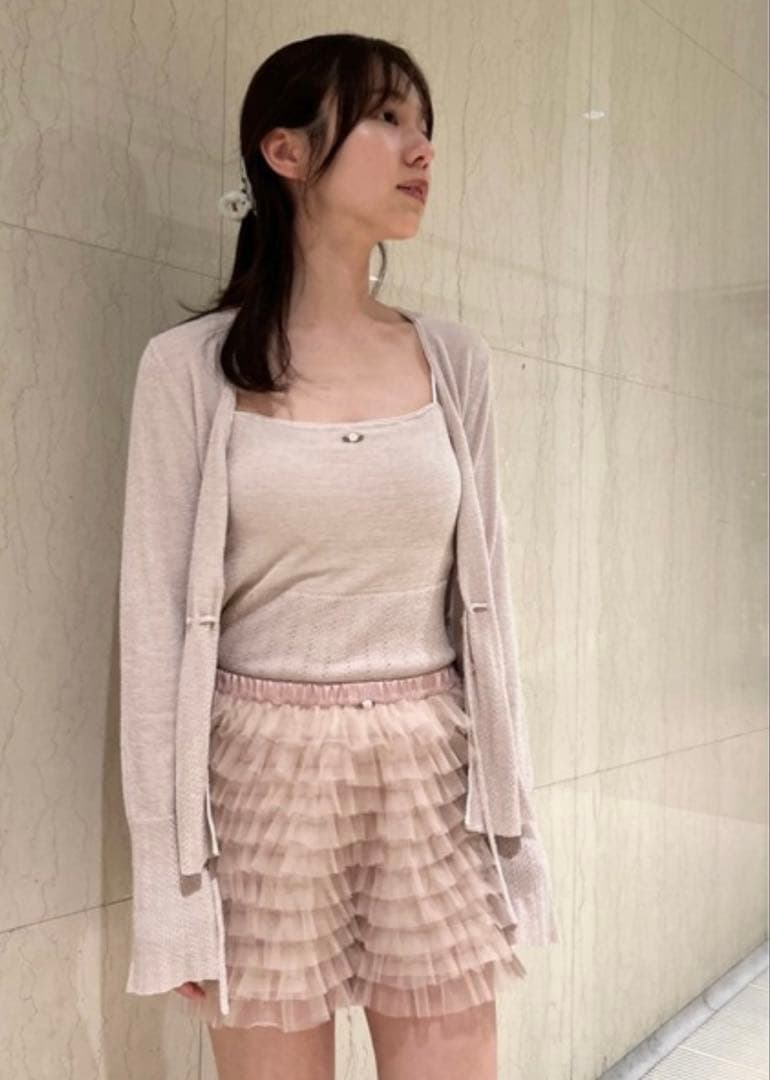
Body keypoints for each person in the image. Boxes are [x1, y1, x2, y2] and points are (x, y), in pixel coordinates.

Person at [120, 32, 559, 1080]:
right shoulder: (189, 369)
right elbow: (152, 634)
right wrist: (170, 895)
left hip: (430, 769)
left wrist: (514, 832)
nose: (420, 149)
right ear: (285, 152)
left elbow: (489, 609)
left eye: (425, 125)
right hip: (256, 781)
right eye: (386, 118)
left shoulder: (451, 360)